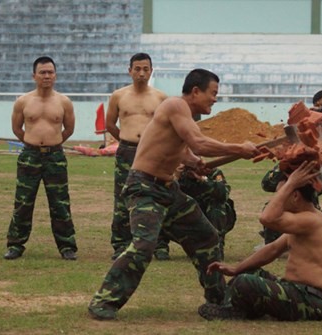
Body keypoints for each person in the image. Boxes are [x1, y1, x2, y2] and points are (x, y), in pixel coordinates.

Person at [88, 68, 260, 320]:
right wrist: (239, 148)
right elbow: (198, 142)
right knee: (143, 246)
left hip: (168, 190)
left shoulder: (183, 114)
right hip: (145, 187)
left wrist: (193, 162)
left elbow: (177, 146)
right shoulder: (175, 105)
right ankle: (103, 301)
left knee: (207, 237)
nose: (215, 99)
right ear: (195, 91)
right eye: (213, 93)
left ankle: (219, 299)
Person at [198, 161, 322, 321]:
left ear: (295, 196)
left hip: (309, 301)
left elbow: (267, 218)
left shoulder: (312, 220)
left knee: (245, 283)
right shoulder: (303, 221)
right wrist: (236, 269)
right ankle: (235, 307)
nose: (277, 199)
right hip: (296, 292)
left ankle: (234, 311)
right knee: (248, 272)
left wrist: (291, 183)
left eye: (281, 194)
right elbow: (273, 249)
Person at [260, 90, 322, 251]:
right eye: (316, 106)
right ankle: (280, 236)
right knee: (298, 196)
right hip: (321, 171)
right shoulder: (309, 123)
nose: (319, 109)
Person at [3, 56, 78, 261]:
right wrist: (32, 143)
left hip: (55, 157)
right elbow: (17, 128)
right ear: (34, 76)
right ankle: (16, 245)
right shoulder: (23, 101)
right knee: (23, 202)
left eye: (50, 72)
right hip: (30, 156)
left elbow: (69, 128)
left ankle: (67, 246)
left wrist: (53, 143)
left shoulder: (64, 101)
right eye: (42, 72)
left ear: (55, 75)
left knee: (60, 202)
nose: (47, 76)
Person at [105, 52, 167, 260]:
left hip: (152, 153)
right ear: (129, 70)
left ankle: (158, 245)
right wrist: (124, 139)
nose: (141, 73)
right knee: (122, 197)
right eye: (137, 69)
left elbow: (167, 127)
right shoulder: (119, 96)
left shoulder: (160, 98)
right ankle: (120, 244)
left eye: (146, 69)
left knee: (156, 197)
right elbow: (110, 124)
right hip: (127, 151)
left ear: (151, 71)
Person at [153, 166, 237, 261]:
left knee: (217, 205)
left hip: (206, 221)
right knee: (159, 204)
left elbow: (223, 194)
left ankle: (216, 248)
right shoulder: (171, 172)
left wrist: (202, 179)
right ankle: (160, 247)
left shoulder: (211, 172)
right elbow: (158, 195)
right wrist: (175, 178)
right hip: (182, 221)